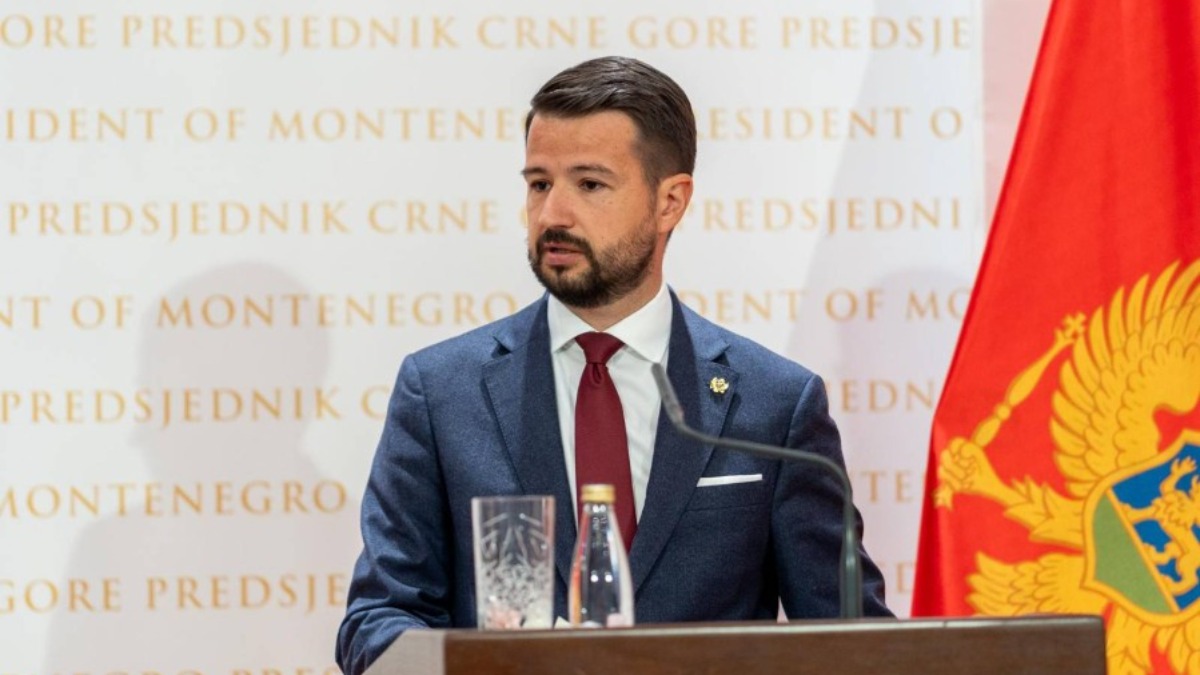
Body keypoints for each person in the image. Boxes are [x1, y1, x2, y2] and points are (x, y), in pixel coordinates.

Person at [336, 56, 891, 674]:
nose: (552, 215)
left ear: (670, 202)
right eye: (539, 184)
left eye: (590, 185)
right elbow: (379, 619)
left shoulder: (774, 406)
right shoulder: (442, 394)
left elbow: (853, 640)